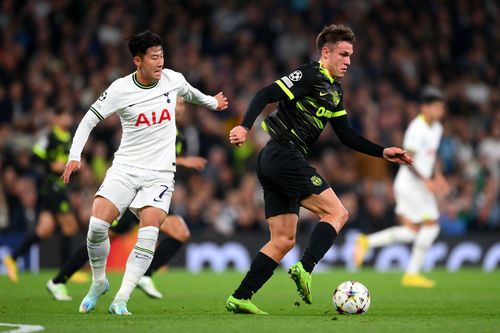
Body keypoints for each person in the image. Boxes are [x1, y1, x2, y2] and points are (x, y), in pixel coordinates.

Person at [226, 24, 412, 314]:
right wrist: (244, 126)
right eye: (343, 54)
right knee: (338, 212)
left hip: (276, 160)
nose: (349, 61)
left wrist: (382, 151)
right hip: (283, 154)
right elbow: (265, 93)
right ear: (326, 52)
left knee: (283, 240)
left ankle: (240, 296)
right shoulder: (310, 74)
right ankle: (306, 267)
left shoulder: (335, 90)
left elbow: (346, 135)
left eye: (351, 55)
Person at [62, 31, 227, 315]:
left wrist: (213, 102)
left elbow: (191, 93)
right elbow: (89, 120)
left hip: (160, 174)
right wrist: (74, 156)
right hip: (125, 167)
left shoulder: (172, 79)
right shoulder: (119, 89)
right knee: (97, 228)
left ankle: (121, 298)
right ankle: (99, 282)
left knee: (148, 232)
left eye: (162, 55)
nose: (160, 61)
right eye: (154, 57)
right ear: (138, 60)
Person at [47, 97, 205, 301]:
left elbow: (167, 166)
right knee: (102, 236)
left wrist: (179, 165)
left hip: (152, 196)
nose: (180, 109)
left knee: (181, 233)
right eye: (177, 104)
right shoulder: (151, 127)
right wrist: (183, 161)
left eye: (183, 105)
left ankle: (146, 275)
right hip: (132, 194)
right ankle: (58, 281)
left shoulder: (179, 138)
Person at [353, 87, 448, 288]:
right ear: (425, 107)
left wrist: (438, 176)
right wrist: (427, 180)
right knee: (432, 226)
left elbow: (432, 156)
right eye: (436, 107)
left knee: (414, 232)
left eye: (442, 107)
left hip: (419, 185)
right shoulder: (417, 128)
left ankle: (367, 242)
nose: (440, 111)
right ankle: (411, 273)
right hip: (410, 185)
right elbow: (408, 159)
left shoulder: (437, 128)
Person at [3, 107, 81, 283]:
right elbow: (35, 157)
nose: (67, 118)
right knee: (70, 227)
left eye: (69, 115)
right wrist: (51, 165)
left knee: (43, 230)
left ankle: (12, 258)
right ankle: (67, 271)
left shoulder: (69, 137)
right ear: (56, 118)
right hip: (52, 187)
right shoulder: (50, 136)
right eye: (64, 115)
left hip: (60, 187)